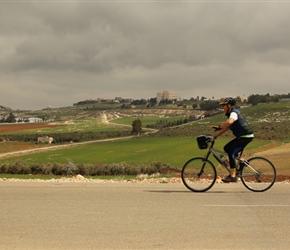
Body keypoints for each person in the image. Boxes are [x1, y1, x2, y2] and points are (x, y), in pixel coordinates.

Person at [210, 97, 254, 183]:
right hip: (242, 137)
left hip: (246, 136)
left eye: (224, 106)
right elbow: (225, 128)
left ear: (229, 106)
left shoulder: (234, 113)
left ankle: (233, 176)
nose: (222, 108)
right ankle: (240, 162)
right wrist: (215, 136)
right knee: (227, 148)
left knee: (231, 153)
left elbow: (229, 122)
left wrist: (219, 126)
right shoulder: (231, 114)